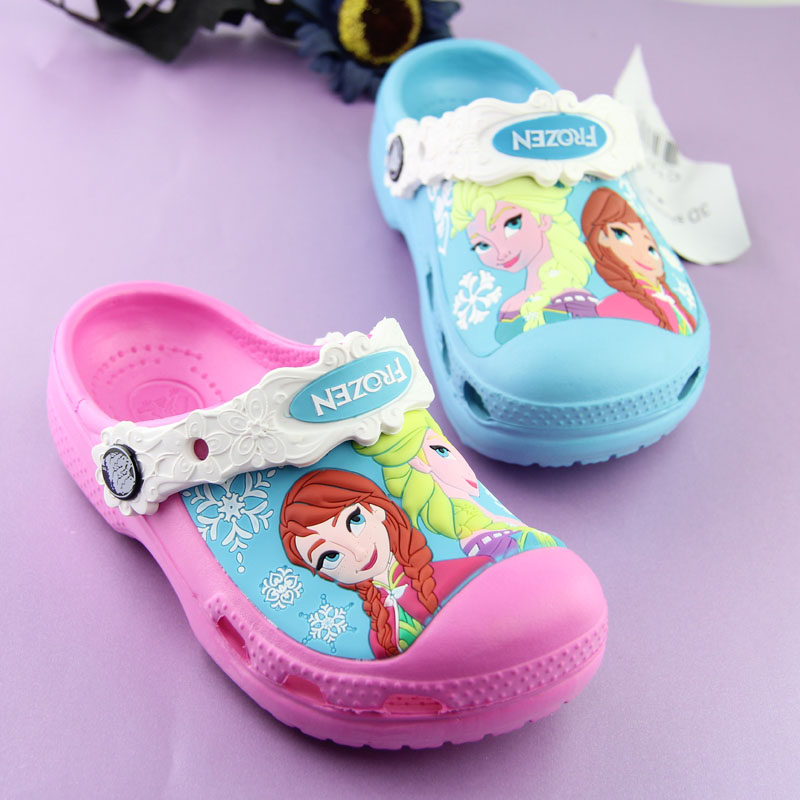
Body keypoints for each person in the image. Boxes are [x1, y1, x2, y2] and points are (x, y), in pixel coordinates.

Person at [279, 469, 490, 658]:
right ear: (321, 572)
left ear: (376, 509)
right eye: (330, 556)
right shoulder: (379, 634)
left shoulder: (466, 571)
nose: (360, 553)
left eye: (355, 520)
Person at [354, 409, 560, 559]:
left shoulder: (465, 513)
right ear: (418, 463)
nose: (462, 465)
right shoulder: (467, 521)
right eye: (441, 451)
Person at [450, 177, 594, 337]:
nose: (502, 252)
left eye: (512, 224)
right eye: (483, 245)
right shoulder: (509, 307)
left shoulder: (574, 298)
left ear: (544, 219)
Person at [581, 186, 696, 334]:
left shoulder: (669, 301)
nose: (643, 255)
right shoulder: (614, 305)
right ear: (601, 237)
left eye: (650, 249)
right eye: (622, 235)